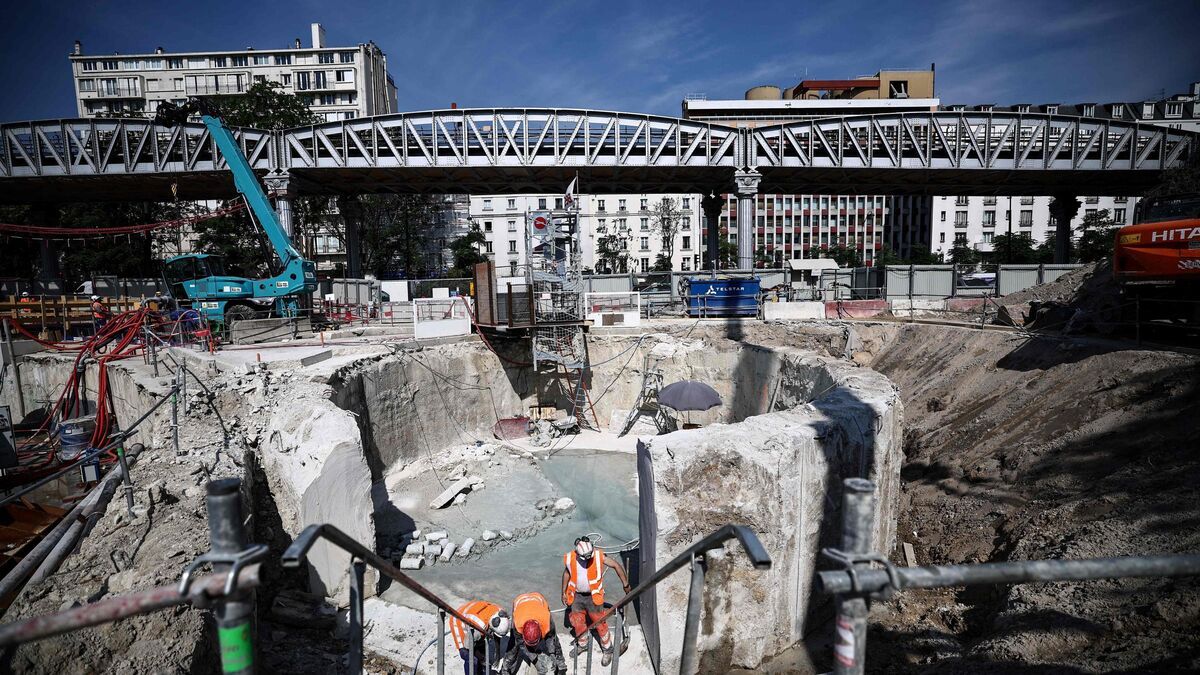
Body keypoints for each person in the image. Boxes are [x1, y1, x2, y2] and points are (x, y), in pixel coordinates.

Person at [561, 536, 630, 667]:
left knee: (600, 623)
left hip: (594, 596)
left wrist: (625, 584)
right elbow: (566, 574)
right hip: (576, 596)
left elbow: (616, 565)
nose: (589, 559)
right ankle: (583, 644)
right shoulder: (571, 558)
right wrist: (563, 592)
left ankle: (607, 649)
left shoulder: (598, 555)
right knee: (578, 621)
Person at [504, 592, 566, 675]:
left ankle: (560, 663)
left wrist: (552, 654)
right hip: (519, 602)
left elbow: (551, 637)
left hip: (538, 599)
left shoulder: (547, 621)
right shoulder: (517, 624)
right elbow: (521, 644)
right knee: (513, 643)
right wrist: (535, 660)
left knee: (554, 639)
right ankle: (506, 670)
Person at [448, 600, 511, 675]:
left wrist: (497, 657)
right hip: (458, 619)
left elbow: (496, 636)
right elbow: (468, 646)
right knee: (470, 658)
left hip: (473, 609)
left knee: (481, 649)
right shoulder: (479, 627)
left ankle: (481, 669)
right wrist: (482, 659)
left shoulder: (500, 612)